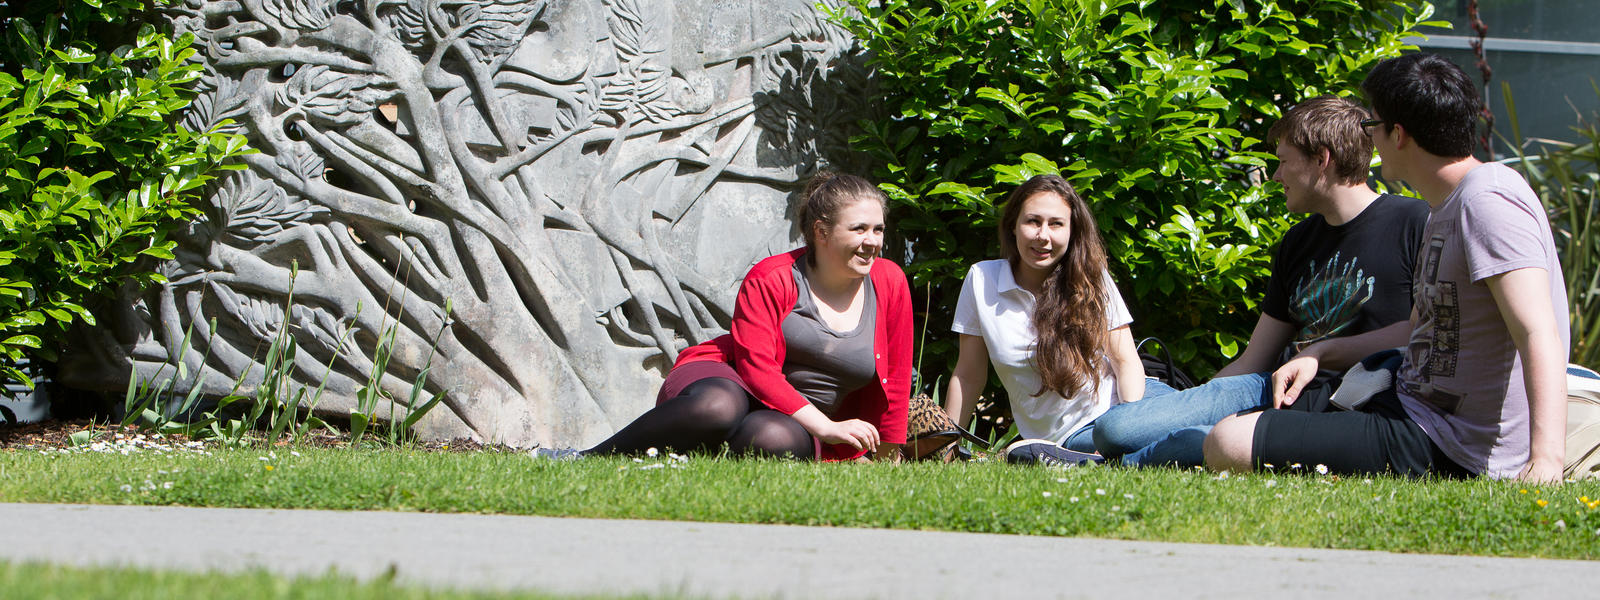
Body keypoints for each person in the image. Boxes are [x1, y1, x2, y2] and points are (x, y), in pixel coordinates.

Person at [1204, 53, 1569, 482]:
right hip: (1403, 400)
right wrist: (1322, 352)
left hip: (1446, 440)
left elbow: (1537, 331)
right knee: (1236, 417)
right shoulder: (1444, 207)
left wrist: (1546, 460)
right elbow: (1416, 327)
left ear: (1398, 134)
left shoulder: (1489, 203)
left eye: (1370, 125)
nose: (1367, 139)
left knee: (1225, 442)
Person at [1092, 95, 1430, 468]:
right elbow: (1256, 358)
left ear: (1322, 158)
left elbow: (1420, 332)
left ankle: (1090, 462)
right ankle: (1104, 445)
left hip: (1344, 403)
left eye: (1284, 162)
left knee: (1193, 444)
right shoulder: (1298, 242)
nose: (1276, 176)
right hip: (1269, 387)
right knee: (1115, 429)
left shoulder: (1414, 223)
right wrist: (1200, 401)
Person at [539, 172, 912, 461]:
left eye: (878, 229)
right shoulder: (771, 277)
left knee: (771, 440)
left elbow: (896, 376)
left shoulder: (889, 282)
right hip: (733, 379)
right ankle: (586, 460)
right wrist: (827, 426)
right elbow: (757, 369)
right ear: (822, 232)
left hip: (796, 419)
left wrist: (885, 457)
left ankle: (687, 464)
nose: (873, 240)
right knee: (717, 408)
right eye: (859, 229)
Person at [943, 174, 1156, 466]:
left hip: (1130, 407)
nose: (1043, 235)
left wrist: (1131, 426)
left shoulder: (1091, 280)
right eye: (1033, 221)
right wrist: (945, 446)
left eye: (1056, 224)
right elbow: (968, 375)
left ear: (1071, 231)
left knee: (1128, 431)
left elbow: (1126, 362)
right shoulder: (982, 280)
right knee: (1195, 442)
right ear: (1013, 227)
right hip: (1074, 437)